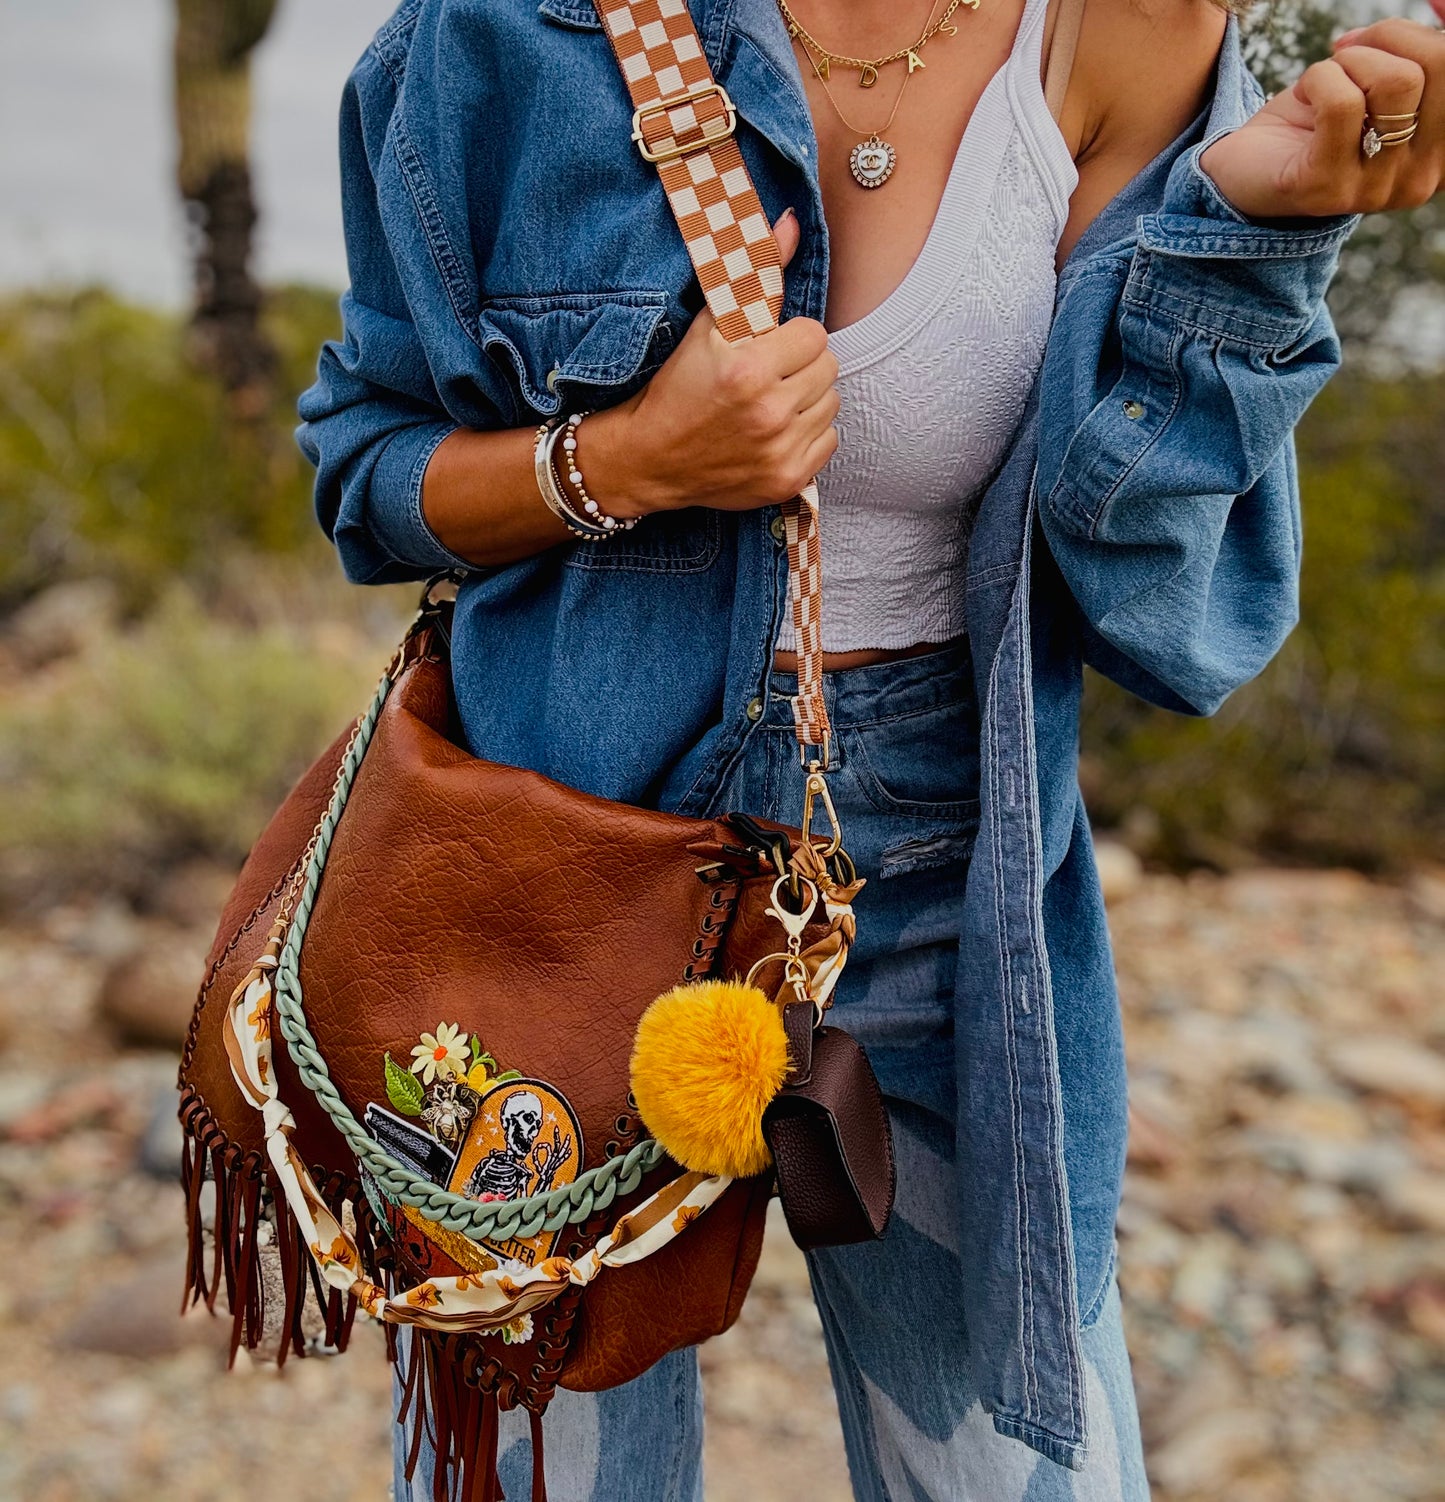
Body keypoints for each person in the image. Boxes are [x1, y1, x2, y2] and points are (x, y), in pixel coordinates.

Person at [297, 0, 1445, 1496]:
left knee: (1020, 1473)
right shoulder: (494, 38)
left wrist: (1253, 229)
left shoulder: (1128, 30)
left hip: (938, 856)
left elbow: (1153, 606)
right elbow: (363, 471)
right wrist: (627, 460)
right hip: (550, 864)